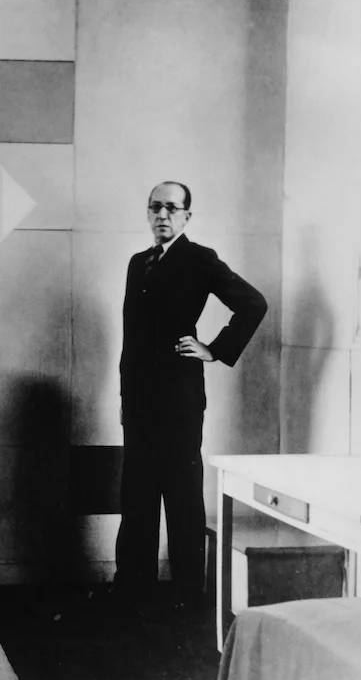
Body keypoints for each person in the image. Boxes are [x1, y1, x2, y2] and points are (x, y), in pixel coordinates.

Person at [113, 181, 267, 613]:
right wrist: (126, 398)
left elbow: (253, 303)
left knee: (181, 495)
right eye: (155, 207)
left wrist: (214, 349)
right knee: (137, 495)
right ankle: (133, 591)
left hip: (178, 400)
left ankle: (186, 597)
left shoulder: (199, 259)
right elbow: (131, 338)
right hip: (139, 402)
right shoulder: (138, 262)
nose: (162, 215)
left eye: (171, 208)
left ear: (186, 216)